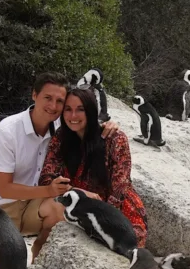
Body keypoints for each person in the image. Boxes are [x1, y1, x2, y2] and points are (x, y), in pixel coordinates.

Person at [0, 73, 119, 263]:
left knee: (63, 208)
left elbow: (83, 123)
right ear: (34, 95)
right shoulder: (8, 131)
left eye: (59, 101)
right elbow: (4, 188)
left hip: (35, 205)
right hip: (2, 207)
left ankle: (40, 254)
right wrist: (49, 190)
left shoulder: (60, 126)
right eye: (47, 98)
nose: (53, 106)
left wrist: (107, 125)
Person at [39, 85, 148, 247]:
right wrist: (77, 193)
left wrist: (102, 219)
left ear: (90, 111)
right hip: (79, 205)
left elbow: (120, 189)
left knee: (123, 245)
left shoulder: (114, 139)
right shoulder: (61, 138)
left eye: (80, 109)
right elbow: (47, 178)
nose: (73, 115)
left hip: (116, 210)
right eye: (68, 109)